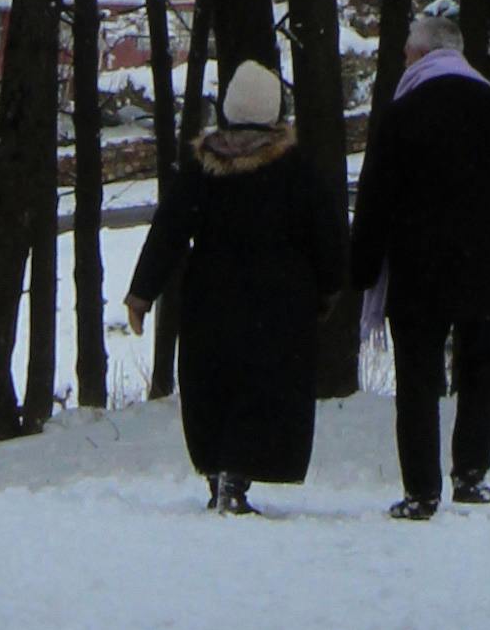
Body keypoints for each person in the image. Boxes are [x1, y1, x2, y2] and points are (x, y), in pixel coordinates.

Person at [350, 19, 490, 519]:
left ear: (422, 54)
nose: (405, 60)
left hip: (416, 268)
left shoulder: (403, 113)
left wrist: (362, 268)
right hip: (482, 265)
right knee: (480, 371)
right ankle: (471, 475)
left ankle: (421, 491)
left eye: (408, 52)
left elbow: (376, 197)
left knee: (418, 379)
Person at [125, 61, 346, 516]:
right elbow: (328, 236)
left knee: (214, 388)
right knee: (263, 392)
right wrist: (328, 290)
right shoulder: (297, 170)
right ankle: (236, 476)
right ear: (274, 111)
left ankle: (218, 473)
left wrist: (142, 293)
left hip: (211, 299)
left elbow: (168, 230)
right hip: (279, 304)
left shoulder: (203, 168)